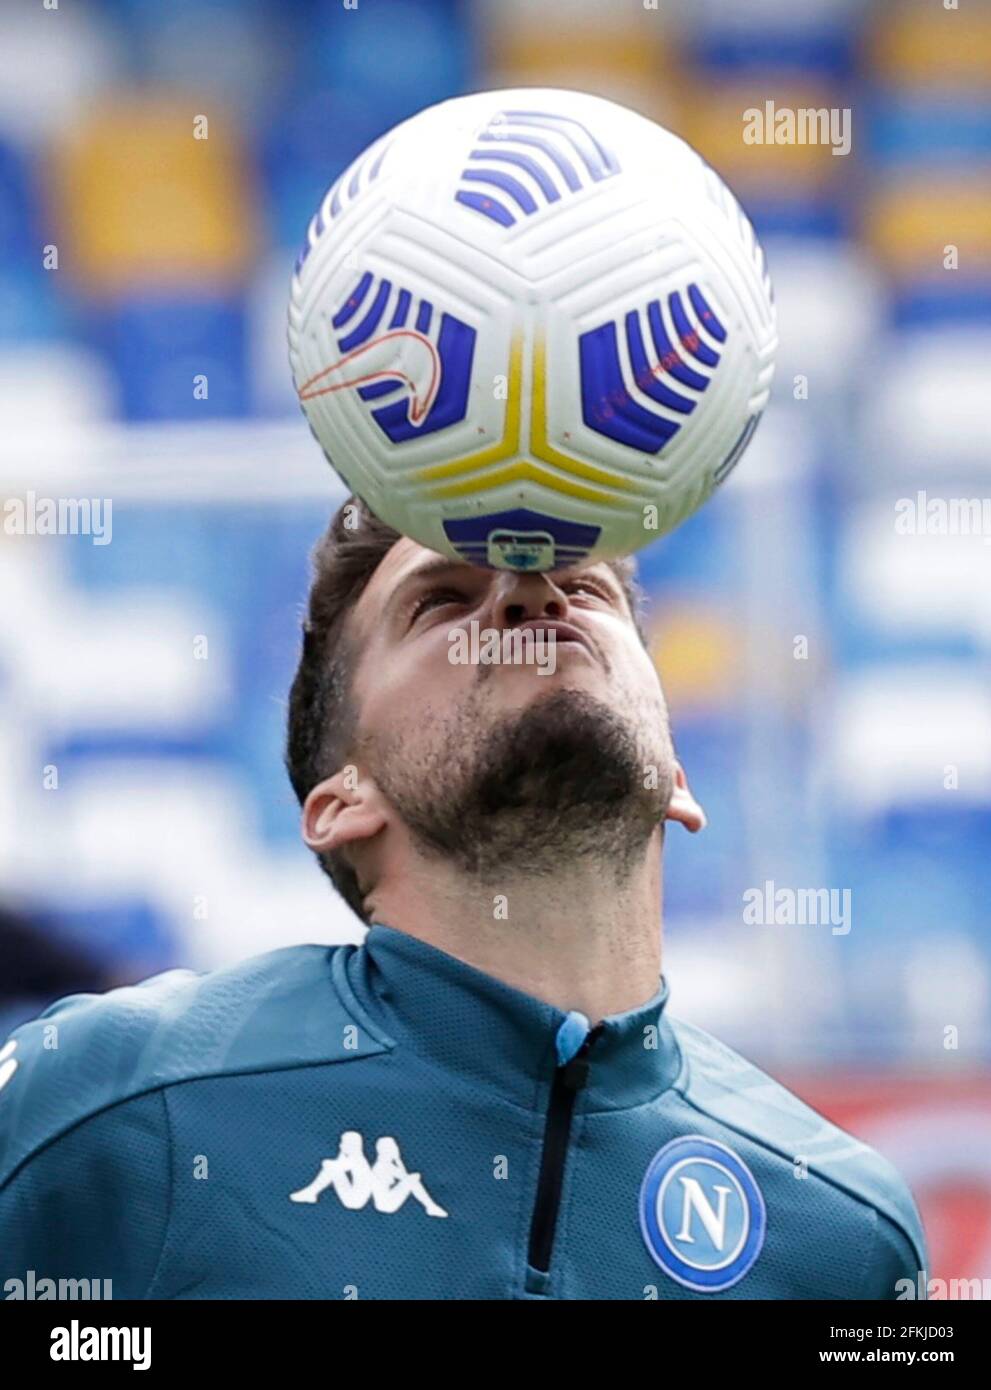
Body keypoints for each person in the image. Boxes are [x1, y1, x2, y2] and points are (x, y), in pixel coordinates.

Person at [0, 498, 926, 1300]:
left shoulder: (842, 1236)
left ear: (675, 773)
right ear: (340, 802)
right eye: (443, 600)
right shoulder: (111, 1105)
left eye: (586, 587)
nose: (530, 597)